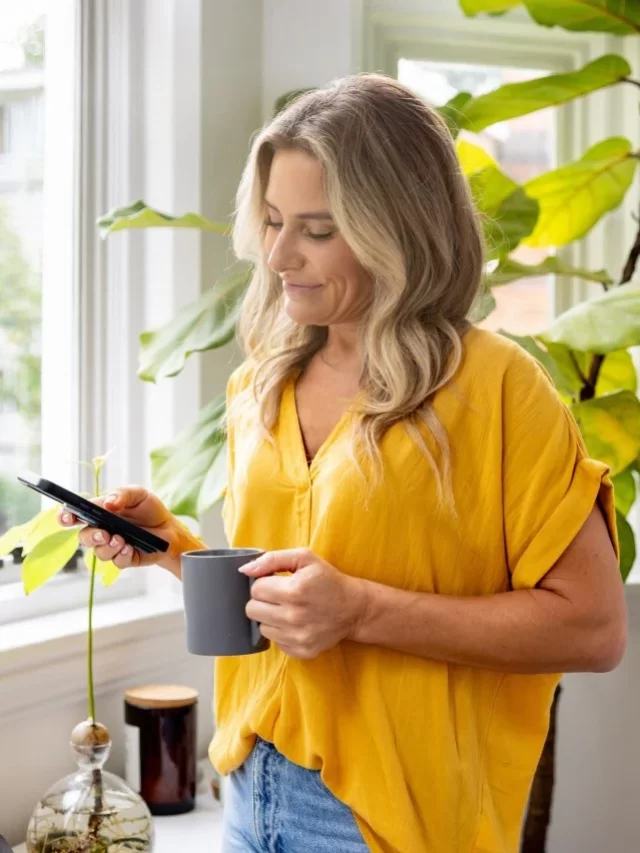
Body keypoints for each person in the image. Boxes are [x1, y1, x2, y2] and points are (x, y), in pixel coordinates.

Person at [58, 74, 627, 853]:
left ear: (400, 225)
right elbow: (288, 588)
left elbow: (593, 627)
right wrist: (172, 546)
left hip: (391, 821)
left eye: (317, 229)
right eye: (271, 220)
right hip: (250, 790)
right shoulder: (261, 380)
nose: (278, 253)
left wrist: (360, 610)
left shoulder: (499, 387)